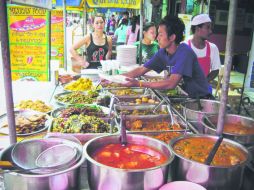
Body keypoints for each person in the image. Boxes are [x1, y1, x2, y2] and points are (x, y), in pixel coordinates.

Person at [121, 15, 212, 99]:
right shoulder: (163, 52)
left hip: (201, 100)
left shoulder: (185, 53)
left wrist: (140, 84)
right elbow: (142, 69)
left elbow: (171, 83)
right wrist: (115, 78)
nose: (157, 38)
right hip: (187, 97)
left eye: (160, 34)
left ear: (172, 37)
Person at [187, 14, 221, 93]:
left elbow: (215, 70)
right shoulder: (185, 46)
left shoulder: (213, 48)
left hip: (203, 90)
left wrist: (203, 81)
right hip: (186, 90)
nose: (210, 31)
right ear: (197, 28)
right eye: (207, 27)